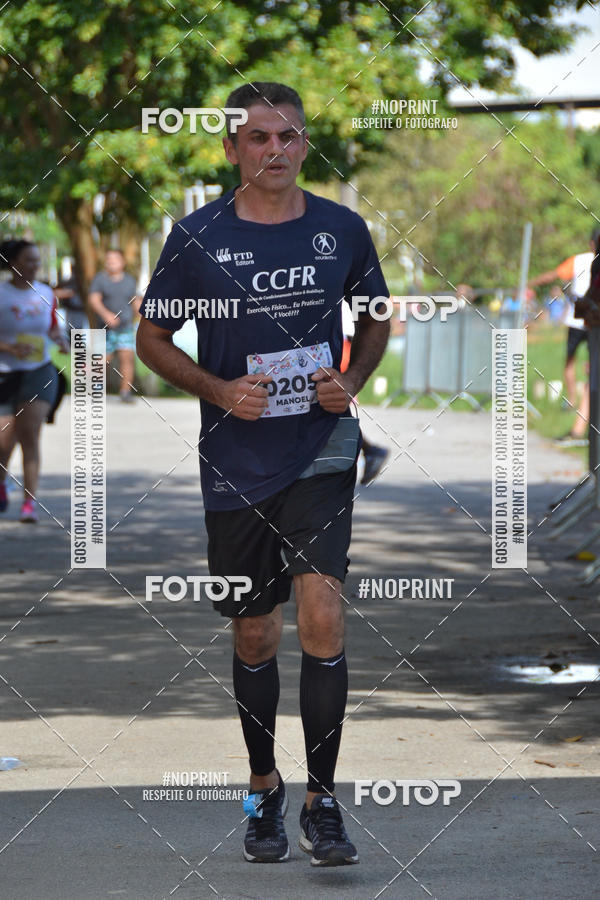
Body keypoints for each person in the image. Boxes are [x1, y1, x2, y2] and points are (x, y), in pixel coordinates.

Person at [137, 81, 390, 867]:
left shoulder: (340, 229)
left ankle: (324, 802)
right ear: (231, 149)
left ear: (304, 145)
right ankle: (263, 789)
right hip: (237, 461)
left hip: (320, 447)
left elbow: (377, 319)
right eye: (258, 138)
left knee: (323, 617)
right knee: (254, 633)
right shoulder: (197, 237)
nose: (275, 150)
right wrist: (217, 390)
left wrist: (351, 380)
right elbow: (150, 339)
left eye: (288, 137)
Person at [0, 239, 69, 522]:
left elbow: (53, 328)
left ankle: (30, 502)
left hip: (39, 371)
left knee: (30, 434)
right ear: (12, 263)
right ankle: (3, 485)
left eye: (37, 260)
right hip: (5, 372)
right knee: (4, 441)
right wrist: (10, 348)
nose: (35, 265)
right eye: (28, 260)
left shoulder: (45, 293)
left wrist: (61, 340)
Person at [528, 234, 597, 444]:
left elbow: (554, 275)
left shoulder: (580, 260)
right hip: (587, 316)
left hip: (583, 316)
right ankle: (577, 420)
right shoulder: (585, 261)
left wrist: (529, 282)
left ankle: (574, 406)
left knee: (575, 362)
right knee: (589, 368)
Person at [341, 299, 389, 483]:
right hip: (344, 338)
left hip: (343, 340)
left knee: (327, 403)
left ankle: (369, 450)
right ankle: (369, 450)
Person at [88, 249, 141, 402]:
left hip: (125, 326)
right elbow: (94, 300)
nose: (111, 262)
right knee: (102, 359)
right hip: (104, 328)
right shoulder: (100, 279)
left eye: (115, 259)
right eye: (108, 259)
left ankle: (125, 392)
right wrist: (106, 315)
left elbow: (134, 300)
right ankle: (96, 391)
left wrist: (141, 314)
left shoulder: (130, 280)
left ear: (122, 262)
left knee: (127, 358)